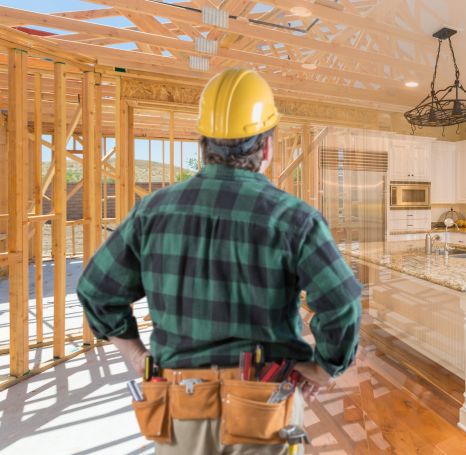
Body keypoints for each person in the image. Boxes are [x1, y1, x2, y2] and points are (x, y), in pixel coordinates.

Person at [77, 68, 363, 454]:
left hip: (181, 406)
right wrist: (325, 367)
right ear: (266, 147)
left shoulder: (152, 212)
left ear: (203, 146)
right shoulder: (295, 219)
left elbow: (96, 291)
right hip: (265, 403)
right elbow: (341, 303)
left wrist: (137, 356)